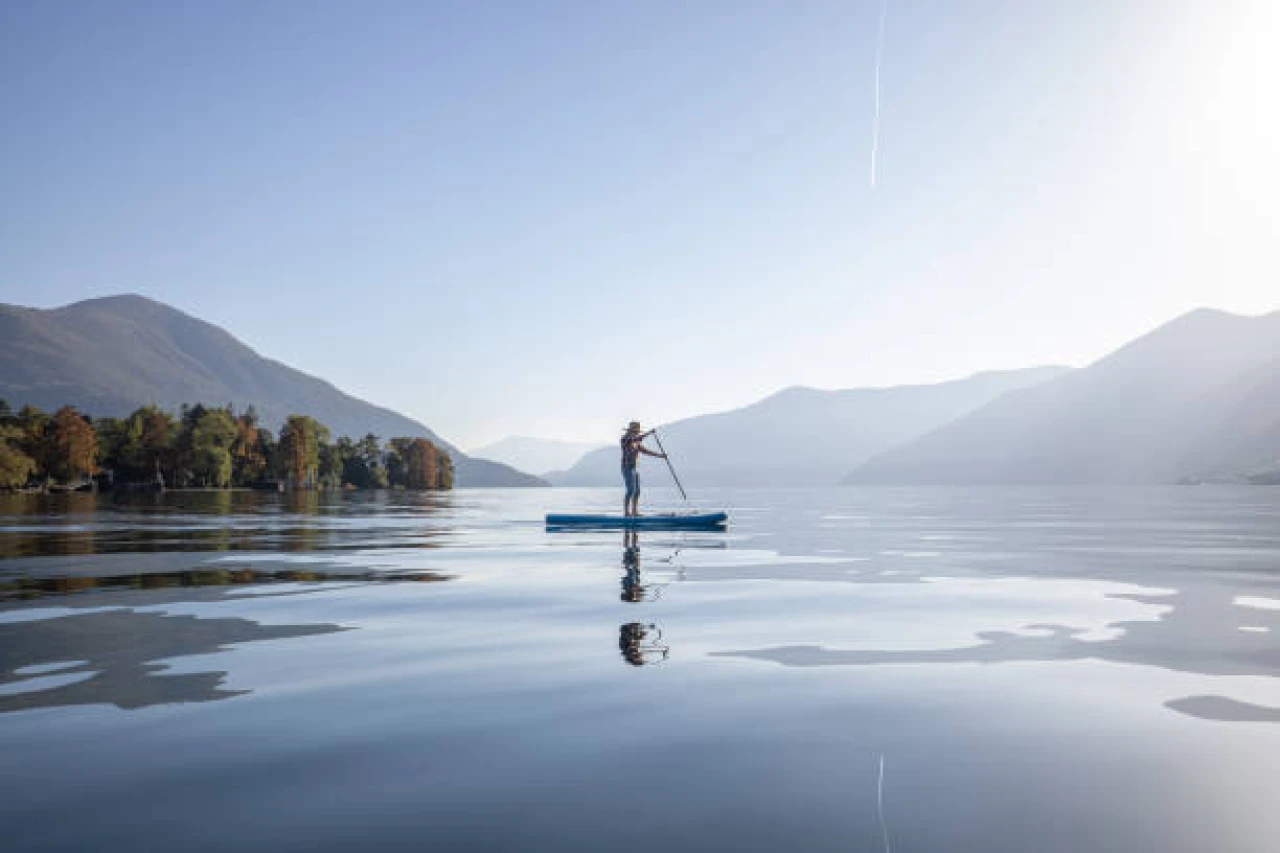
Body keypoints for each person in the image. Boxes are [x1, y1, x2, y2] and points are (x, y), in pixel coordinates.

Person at [620, 421, 666, 517]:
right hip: (626, 468)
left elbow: (646, 451)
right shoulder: (625, 439)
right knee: (630, 490)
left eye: (637, 432)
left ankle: (634, 512)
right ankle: (626, 513)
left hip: (634, 469)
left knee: (637, 491)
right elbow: (636, 438)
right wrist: (649, 433)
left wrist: (660, 455)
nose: (637, 433)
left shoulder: (636, 442)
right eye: (635, 431)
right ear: (631, 431)